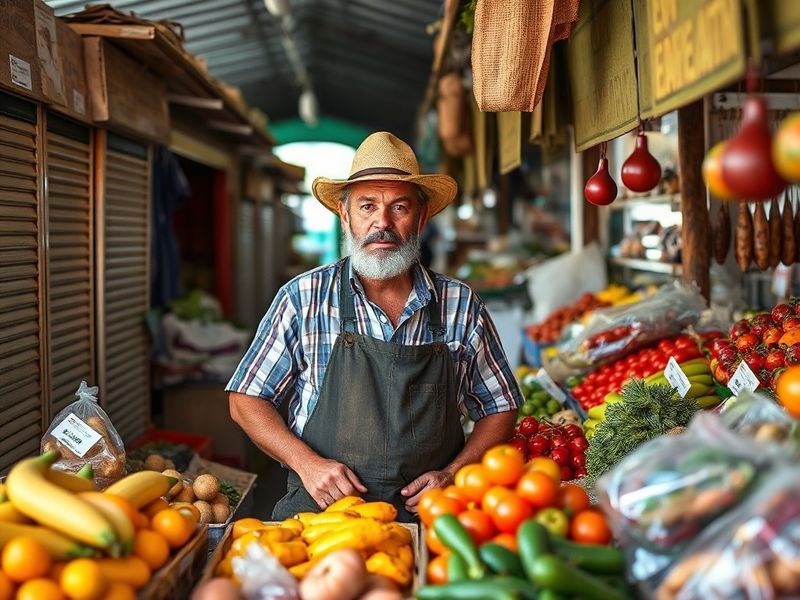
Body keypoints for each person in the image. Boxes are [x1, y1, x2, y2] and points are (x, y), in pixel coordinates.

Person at [227, 132, 523, 521]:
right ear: (345, 214)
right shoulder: (303, 296)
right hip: (323, 512)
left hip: (432, 513)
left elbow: (500, 406)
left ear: (422, 217)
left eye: (399, 207)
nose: (382, 223)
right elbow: (245, 400)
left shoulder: (460, 304)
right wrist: (307, 465)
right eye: (367, 206)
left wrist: (455, 472)